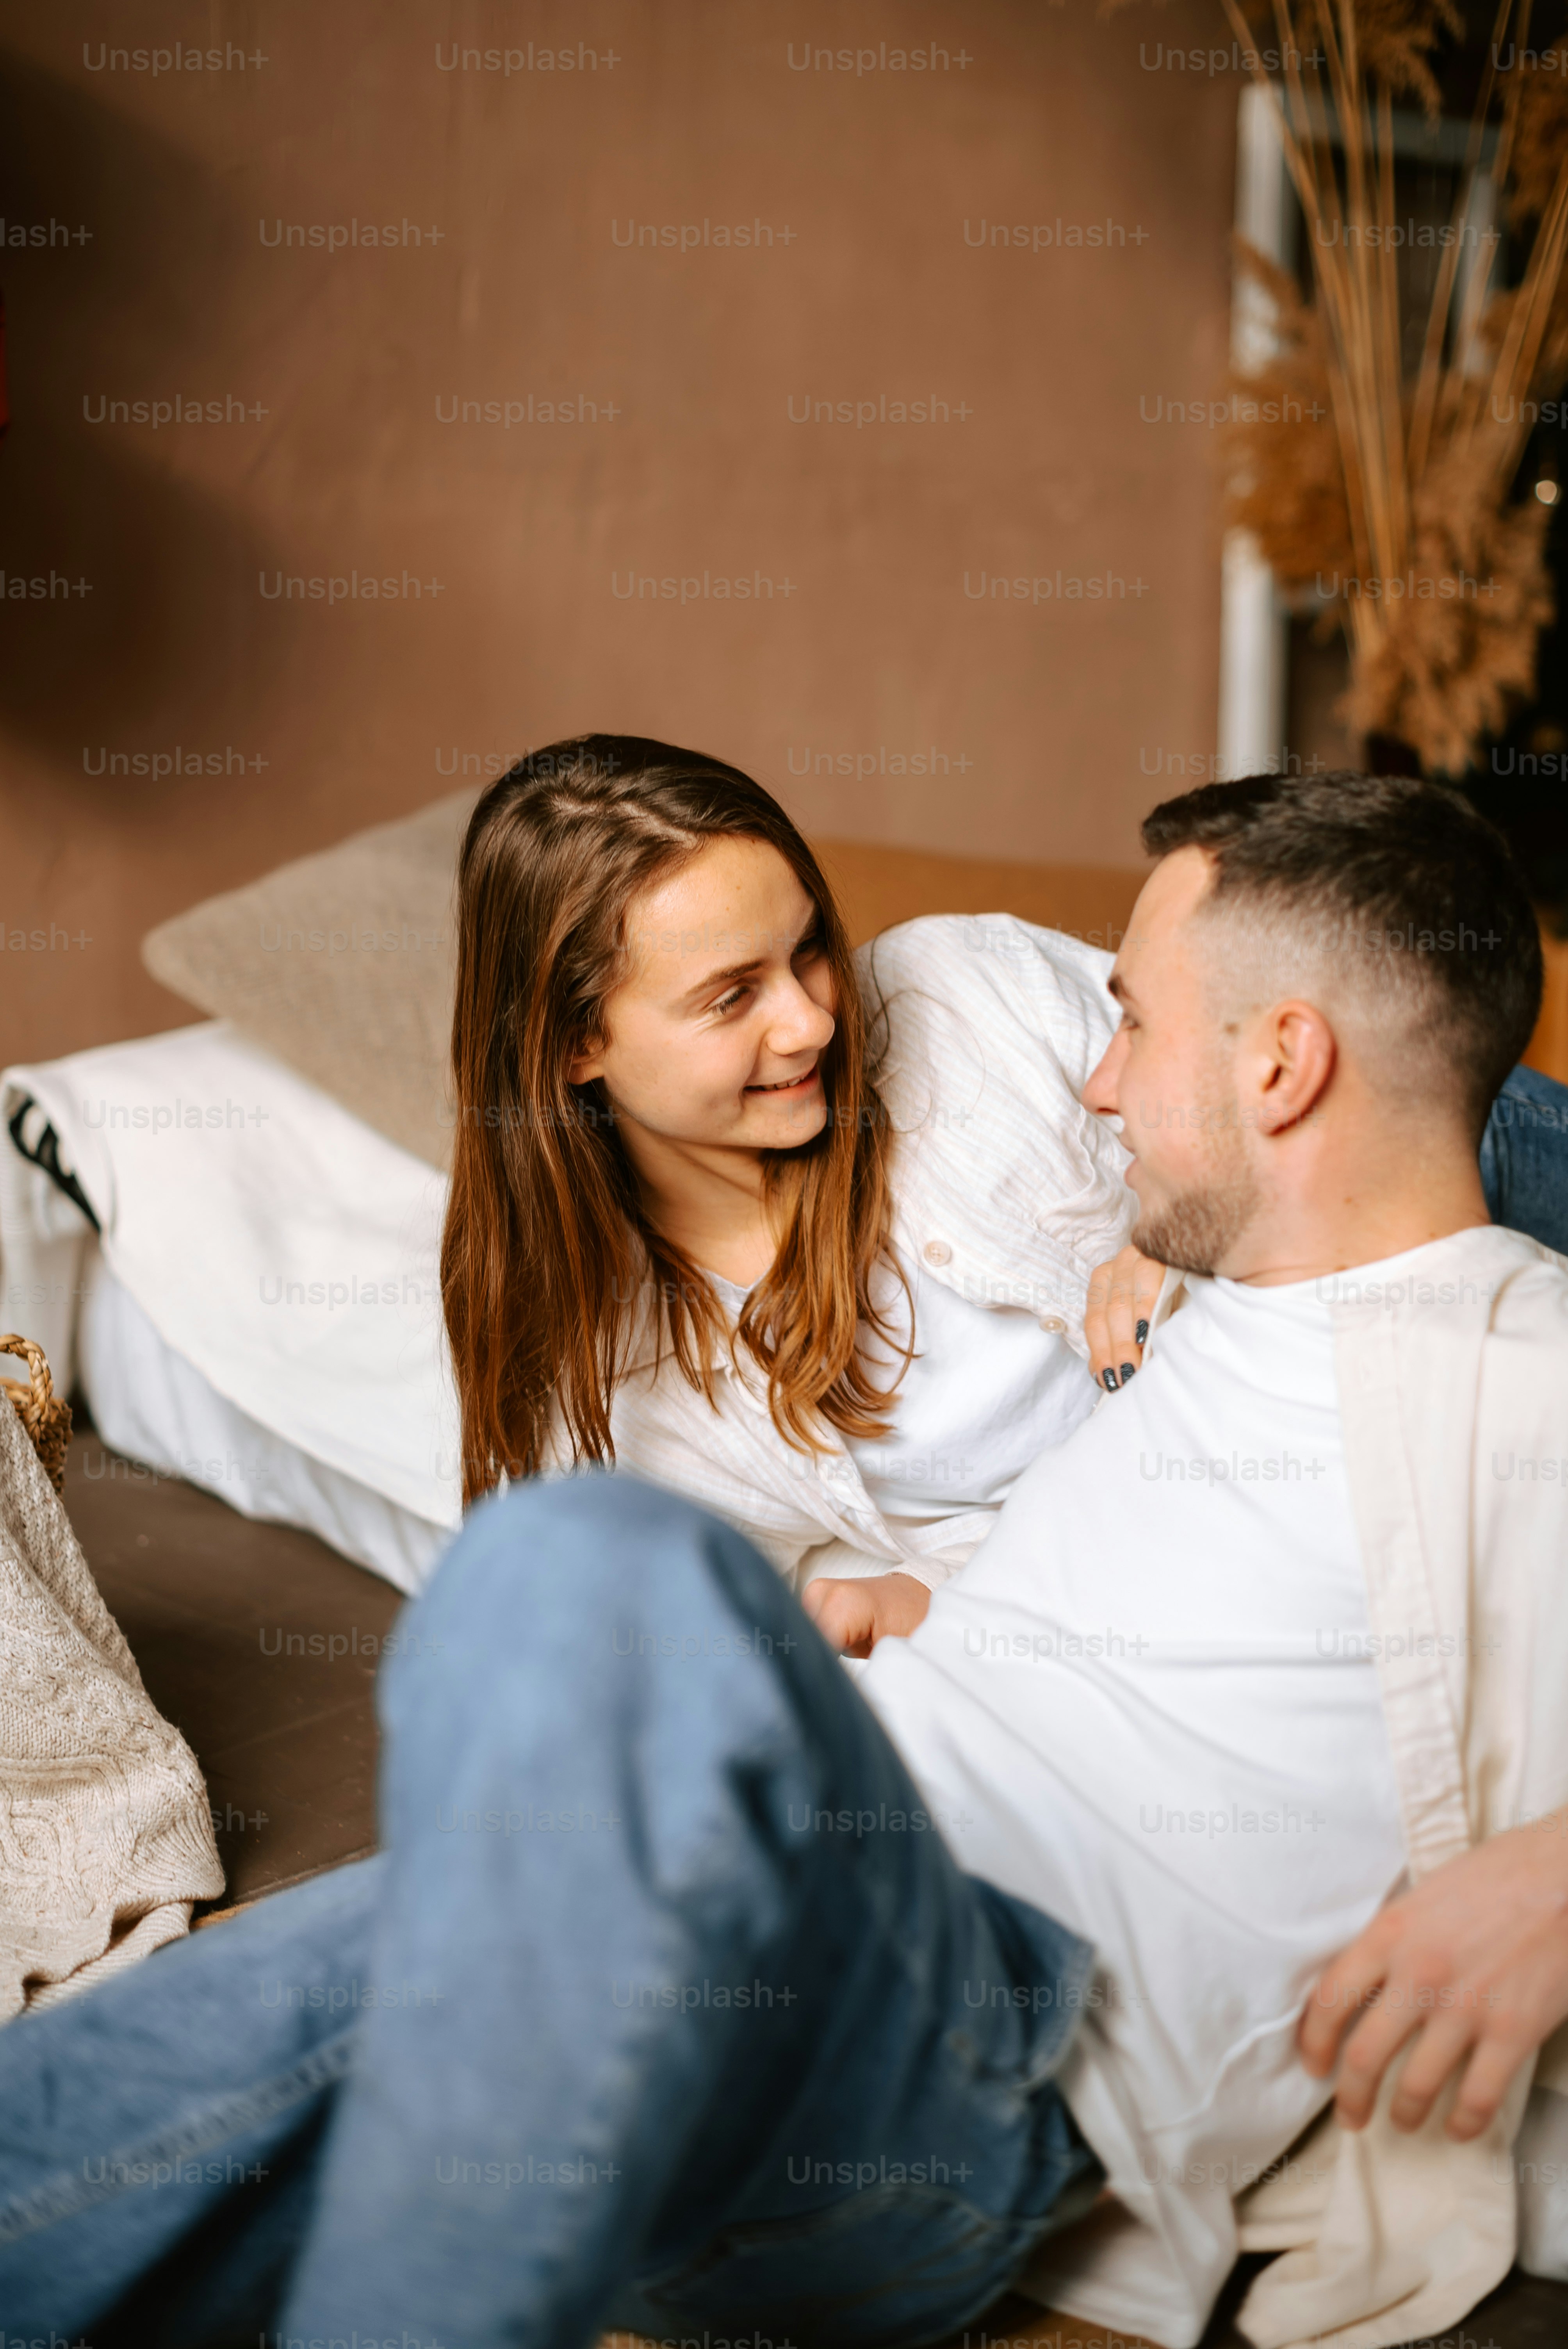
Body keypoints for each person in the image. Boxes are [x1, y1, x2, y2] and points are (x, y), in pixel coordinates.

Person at [2, 771, 1564, 2349]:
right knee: (390, 1942)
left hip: (982, 2065)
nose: (1093, 1086)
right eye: (730, 991)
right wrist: (927, 1614)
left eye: (1134, 1025)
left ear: (1282, 1063)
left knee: (585, 1563)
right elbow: (1187, 1619)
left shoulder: (1518, 1362)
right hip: (743, 1980)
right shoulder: (1185, 1317)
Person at [442, 734, 1568, 1616]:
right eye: (732, 997)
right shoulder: (625, 1388)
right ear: (574, 1045)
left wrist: (1169, 1235)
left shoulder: (955, 993)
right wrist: (934, 1605)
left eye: (808, 951)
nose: (809, 1021)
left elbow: (1280, 1083)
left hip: (1470, 1165)